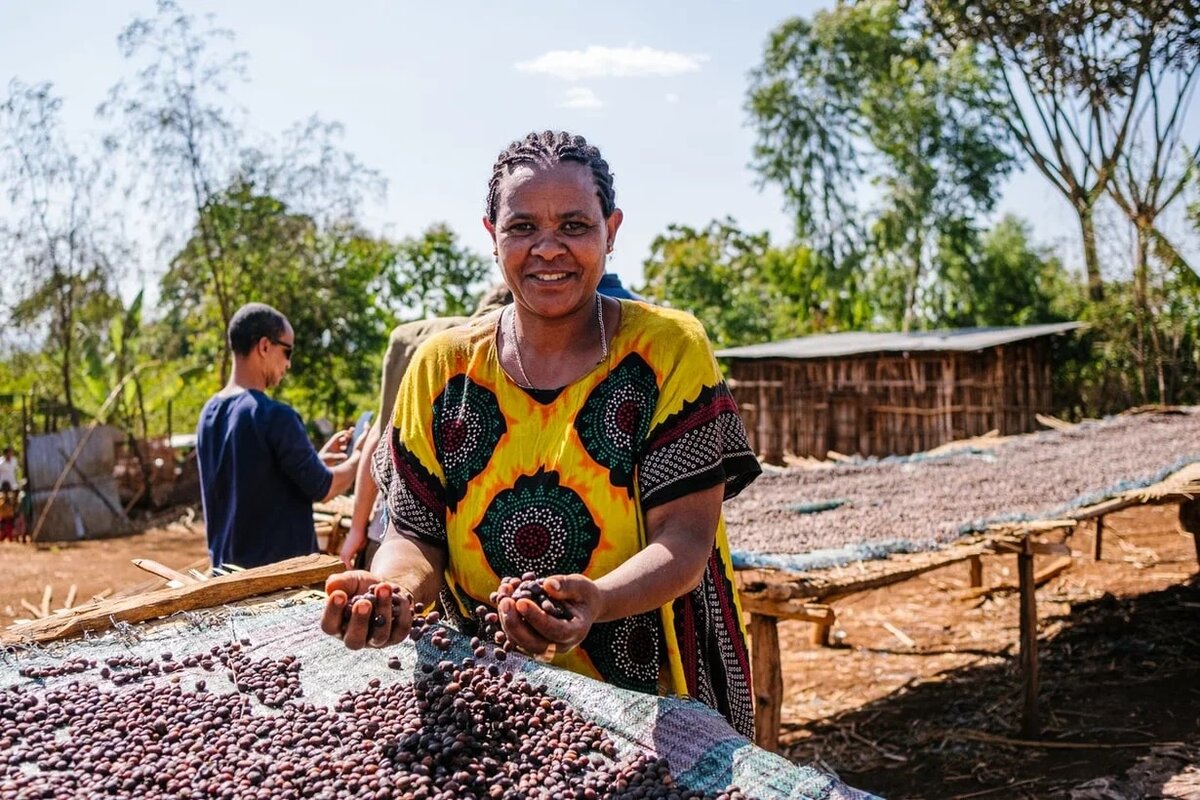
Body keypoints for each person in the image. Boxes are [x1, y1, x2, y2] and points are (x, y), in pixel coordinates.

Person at [320, 130, 762, 737]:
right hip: (491, 685)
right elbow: (413, 537)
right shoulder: (442, 367)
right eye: (522, 227)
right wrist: (393, 590)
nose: (547, 249)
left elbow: (685, 541)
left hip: (656, 695)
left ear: (612, 228)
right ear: (491, 233)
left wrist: (597, 600)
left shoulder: (666, 351)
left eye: (575, 226)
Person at [339, 283, 514, 569]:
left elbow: (376, 438)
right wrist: (358, 528)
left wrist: (358, 528)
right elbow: (382, 439)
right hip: (402, 534)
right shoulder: (453, 357)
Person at [197, 302, 361, 570]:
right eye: (287, 351)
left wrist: (315, 460)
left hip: (226, 577)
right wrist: (360, 456)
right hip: (276, 585)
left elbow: (257, 483)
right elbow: (324, 487)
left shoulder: (209, 413)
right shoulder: (274, 416)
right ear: (264, 346)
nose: (289, 363)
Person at [0, 446, 18, 543]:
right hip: (3, 487)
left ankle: (11, 534)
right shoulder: (1, 462)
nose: (11, 454)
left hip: (13, 486)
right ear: (5, 453)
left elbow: (15, 472)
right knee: (4, 512)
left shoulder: (14, 461)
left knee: (13, 511)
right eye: (9, 452)